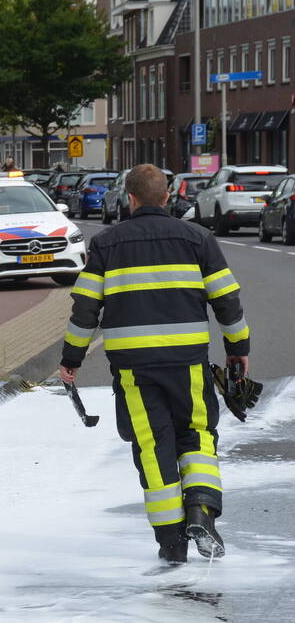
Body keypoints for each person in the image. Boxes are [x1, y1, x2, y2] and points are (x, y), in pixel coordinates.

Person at [60, 164, 249, 566]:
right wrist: (238, 348)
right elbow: (227, 300)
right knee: (197, 434)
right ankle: (200, 510)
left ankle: (171, 544)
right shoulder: (198, 238)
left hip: (134, 371)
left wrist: (71, 360)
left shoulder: (107, 243)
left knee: (153, 447)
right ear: (167, 197)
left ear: (130, 199)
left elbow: (85, 310)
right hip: (188, 364)